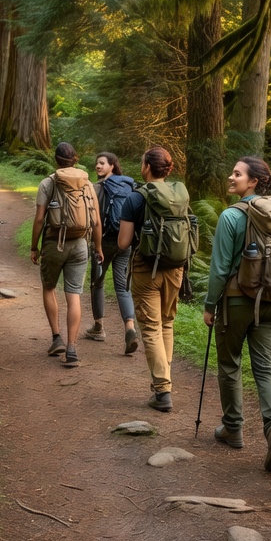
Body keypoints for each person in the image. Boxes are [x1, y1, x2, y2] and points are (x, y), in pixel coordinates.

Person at [204, 156, 271, 471]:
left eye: (237, 174)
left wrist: (210, 305)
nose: (231, 177)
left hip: (236, 303)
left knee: (229, 364)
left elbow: (220, 268)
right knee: (266, 367)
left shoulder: (231, 216)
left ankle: (233, 428)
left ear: (253, 181)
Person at [116, 147, 186, 410]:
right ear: (167, 169)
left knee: (152, 328)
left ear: (147, 166)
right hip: (176, 268)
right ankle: (164, 383)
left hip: (147, 269)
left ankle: (162, 390)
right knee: (167, 323)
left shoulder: (135, 198)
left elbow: (123, 243)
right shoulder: (179, 194)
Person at [31, 143, 104, 369]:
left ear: (56, 160)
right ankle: (72, 348)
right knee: (74, 295)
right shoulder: (87, 184)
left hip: (54, 243)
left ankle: (56, 339)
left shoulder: (48, 182)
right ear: (75, 159)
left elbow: (40, 219)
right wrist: (98, 247)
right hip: (81, 243)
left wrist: (34, 246)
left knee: (49, 287)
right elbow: (96, 221)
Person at [85, 152, 140, 355]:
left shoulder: (97, 188)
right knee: (122, 287)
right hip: (125, 242)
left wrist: (96, 244)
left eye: (102, 163)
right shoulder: (130, 185)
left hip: (104, 241)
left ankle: (98, 327)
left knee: (97, 282)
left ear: (112, 166)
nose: (98, 166)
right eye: (97, 163)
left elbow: (95, 220)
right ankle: (130, 327)